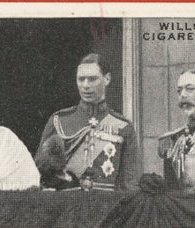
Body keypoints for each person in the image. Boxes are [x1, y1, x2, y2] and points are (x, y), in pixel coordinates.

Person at [36, 53, 141, 191]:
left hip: (108, 208)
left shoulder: (124, 127)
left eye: (92, 79)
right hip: (67, 207)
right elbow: (40, 177)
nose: (85, 85)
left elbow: (131, 184)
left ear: (107, 79)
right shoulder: (58, 121)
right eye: (81, 79)